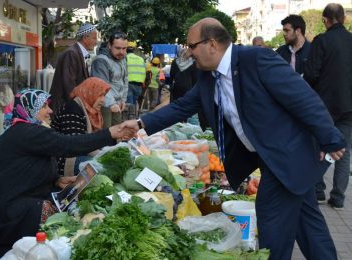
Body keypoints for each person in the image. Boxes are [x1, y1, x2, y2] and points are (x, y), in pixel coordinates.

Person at [121, 17, 345, 259]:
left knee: (272, 223)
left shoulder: (257, 59)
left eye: (191, 46)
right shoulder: (209, 76)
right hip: (270, 159)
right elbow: (182, 106)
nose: (188, 52)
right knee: (307, 222)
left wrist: (330, 138)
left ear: (212, 44)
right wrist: (141, 123)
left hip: (288, 157)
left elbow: (303, 98)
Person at [0, 89, 134, 258]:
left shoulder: (25, 130)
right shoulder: (27, 132)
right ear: (30, 108)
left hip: (1, 199)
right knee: (48, 210)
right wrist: (111, 133)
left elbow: (27, 170)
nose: (50, 110)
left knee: (59, 201)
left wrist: (57, 180)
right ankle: (28, 249)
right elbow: (68, 144)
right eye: (44, 106)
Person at [304, 3, 352, 209]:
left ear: (325, 20)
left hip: (325, 105)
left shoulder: (321, 41)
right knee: (344, 150)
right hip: (349, 106)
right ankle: (339, 197)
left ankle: (317, 190)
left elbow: (312, 73)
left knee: (319, 146)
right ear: (343, 19)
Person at [51, 77, 110, 176]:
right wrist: (102, 156)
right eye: (100, 95)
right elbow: (76, 144)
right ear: (90, 92)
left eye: (104, 96)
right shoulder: (72, 108)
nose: (103, 100)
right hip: (64, 160)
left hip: (81, 154)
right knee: (102, 169)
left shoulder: (92, 111)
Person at [49, 23, 97, 113]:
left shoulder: (77, 53)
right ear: (85, 38)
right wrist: (78, 106)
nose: (96, 42)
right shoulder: (72, 53)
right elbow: (69, 85)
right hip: (64, 107)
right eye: (94, 38)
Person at [90, 32, 129, 127]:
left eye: (124, 48)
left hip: (117, 103)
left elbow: (125, 80)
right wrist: (111, 104)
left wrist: (123, 99)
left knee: (117, 133)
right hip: (104, 104)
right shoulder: (101, 61)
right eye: (118, 48)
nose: (121, 52)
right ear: (109, 46)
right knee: (106, 134)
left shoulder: (123, 59)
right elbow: (101, 85)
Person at [126, 41, 146, 117]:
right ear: (134, 49)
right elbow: (144, 71)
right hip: (139, 85)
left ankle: (131, 119)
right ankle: (133, 117)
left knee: (129, 104)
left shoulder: (125, 58)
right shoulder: (140, 59)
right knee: (134, 103)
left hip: (129, 84)